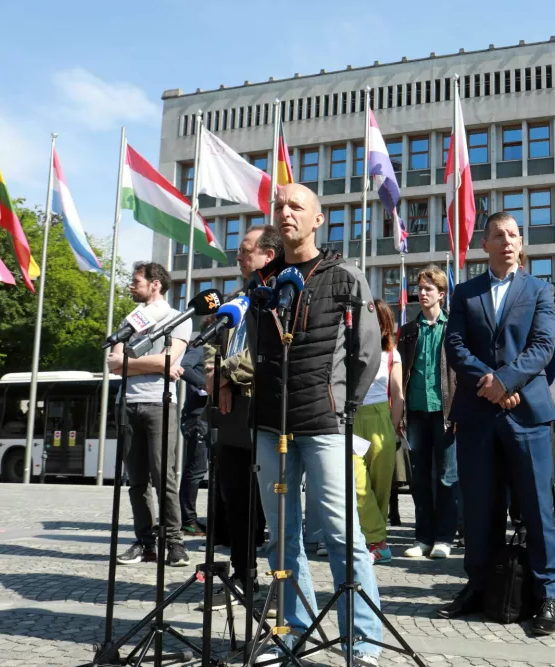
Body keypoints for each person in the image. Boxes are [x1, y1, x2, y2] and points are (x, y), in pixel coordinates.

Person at [248, 183, 383, 665]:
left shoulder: (345, 275)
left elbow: (367, 352)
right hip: (270, 426)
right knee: (281, 538)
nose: (286, 212)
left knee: (343, 536)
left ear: (318, 219)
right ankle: (290, 634)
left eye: (296, 206)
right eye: (280, 206)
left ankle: (362, 645)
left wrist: (344, 406)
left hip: (325, 423)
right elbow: (256, 351)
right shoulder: (262, 282)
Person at [441, 212, 555, 636]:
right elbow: (455, 345)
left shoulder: (539, 289)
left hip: (526, 413)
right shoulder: (465, 292)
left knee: (537, 507)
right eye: (498, 235)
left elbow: (544, 345)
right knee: (478, 506)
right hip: (477, 414)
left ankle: (547, 595)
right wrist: (489, 384)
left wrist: (506, 381)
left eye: (513, 235)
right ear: (485, 244)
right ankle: (478, 585)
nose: (507, 241)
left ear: (521, 243)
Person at [204, 225, 278, 612]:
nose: (238, 256)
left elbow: (270, 352)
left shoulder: (281, 296)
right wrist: (214, 375)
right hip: (229, 415)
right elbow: (212, 345)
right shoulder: (234, 300)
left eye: (246, 250)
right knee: (234, 498)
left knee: (268, 504)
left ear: (268, 255)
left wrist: (226, 375)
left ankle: (280, 582)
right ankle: (242, 573)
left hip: (264, 411)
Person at [111, 262, 192, 568]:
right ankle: (145, 544)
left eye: (136, 281)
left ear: (155, 284)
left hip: (160, 404)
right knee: (136, 481)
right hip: (127, 403)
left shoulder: (177, 318)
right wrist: (155, 364)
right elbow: (112, 363)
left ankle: (174, 543)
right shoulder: (130, 320)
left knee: (163, 477)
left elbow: (168, 359)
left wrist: (130, 363)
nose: (131, 286)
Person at [397, 266, 458, 559]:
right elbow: (400, 374)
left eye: (428, 289)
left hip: (445, 412)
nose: (421, 293)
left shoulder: (453, 327)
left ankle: (444, 538)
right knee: (419, 478)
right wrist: (400, 414)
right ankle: (423, 538)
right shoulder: (409, 330)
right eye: (419, 289)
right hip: (416, 411)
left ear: (441, 294)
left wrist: (459, 411)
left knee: (447, 476)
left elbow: (460, 374)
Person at [354, 298, 403, 564]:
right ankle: (378, 540)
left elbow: (398, 393)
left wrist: (393, 429)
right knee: (358, 484)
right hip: (353, 419)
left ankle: (374, 543)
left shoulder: (392, 354)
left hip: (381, 418)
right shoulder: (351, 349)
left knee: (381, 488)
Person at [178, 342, 209, 538]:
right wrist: (204, 384)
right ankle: (188, 521)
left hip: (207, 418)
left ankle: (191, 520)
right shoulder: (200, 349)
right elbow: (184, 367)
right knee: (195, 471)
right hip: (197, 419)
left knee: (201, 470)